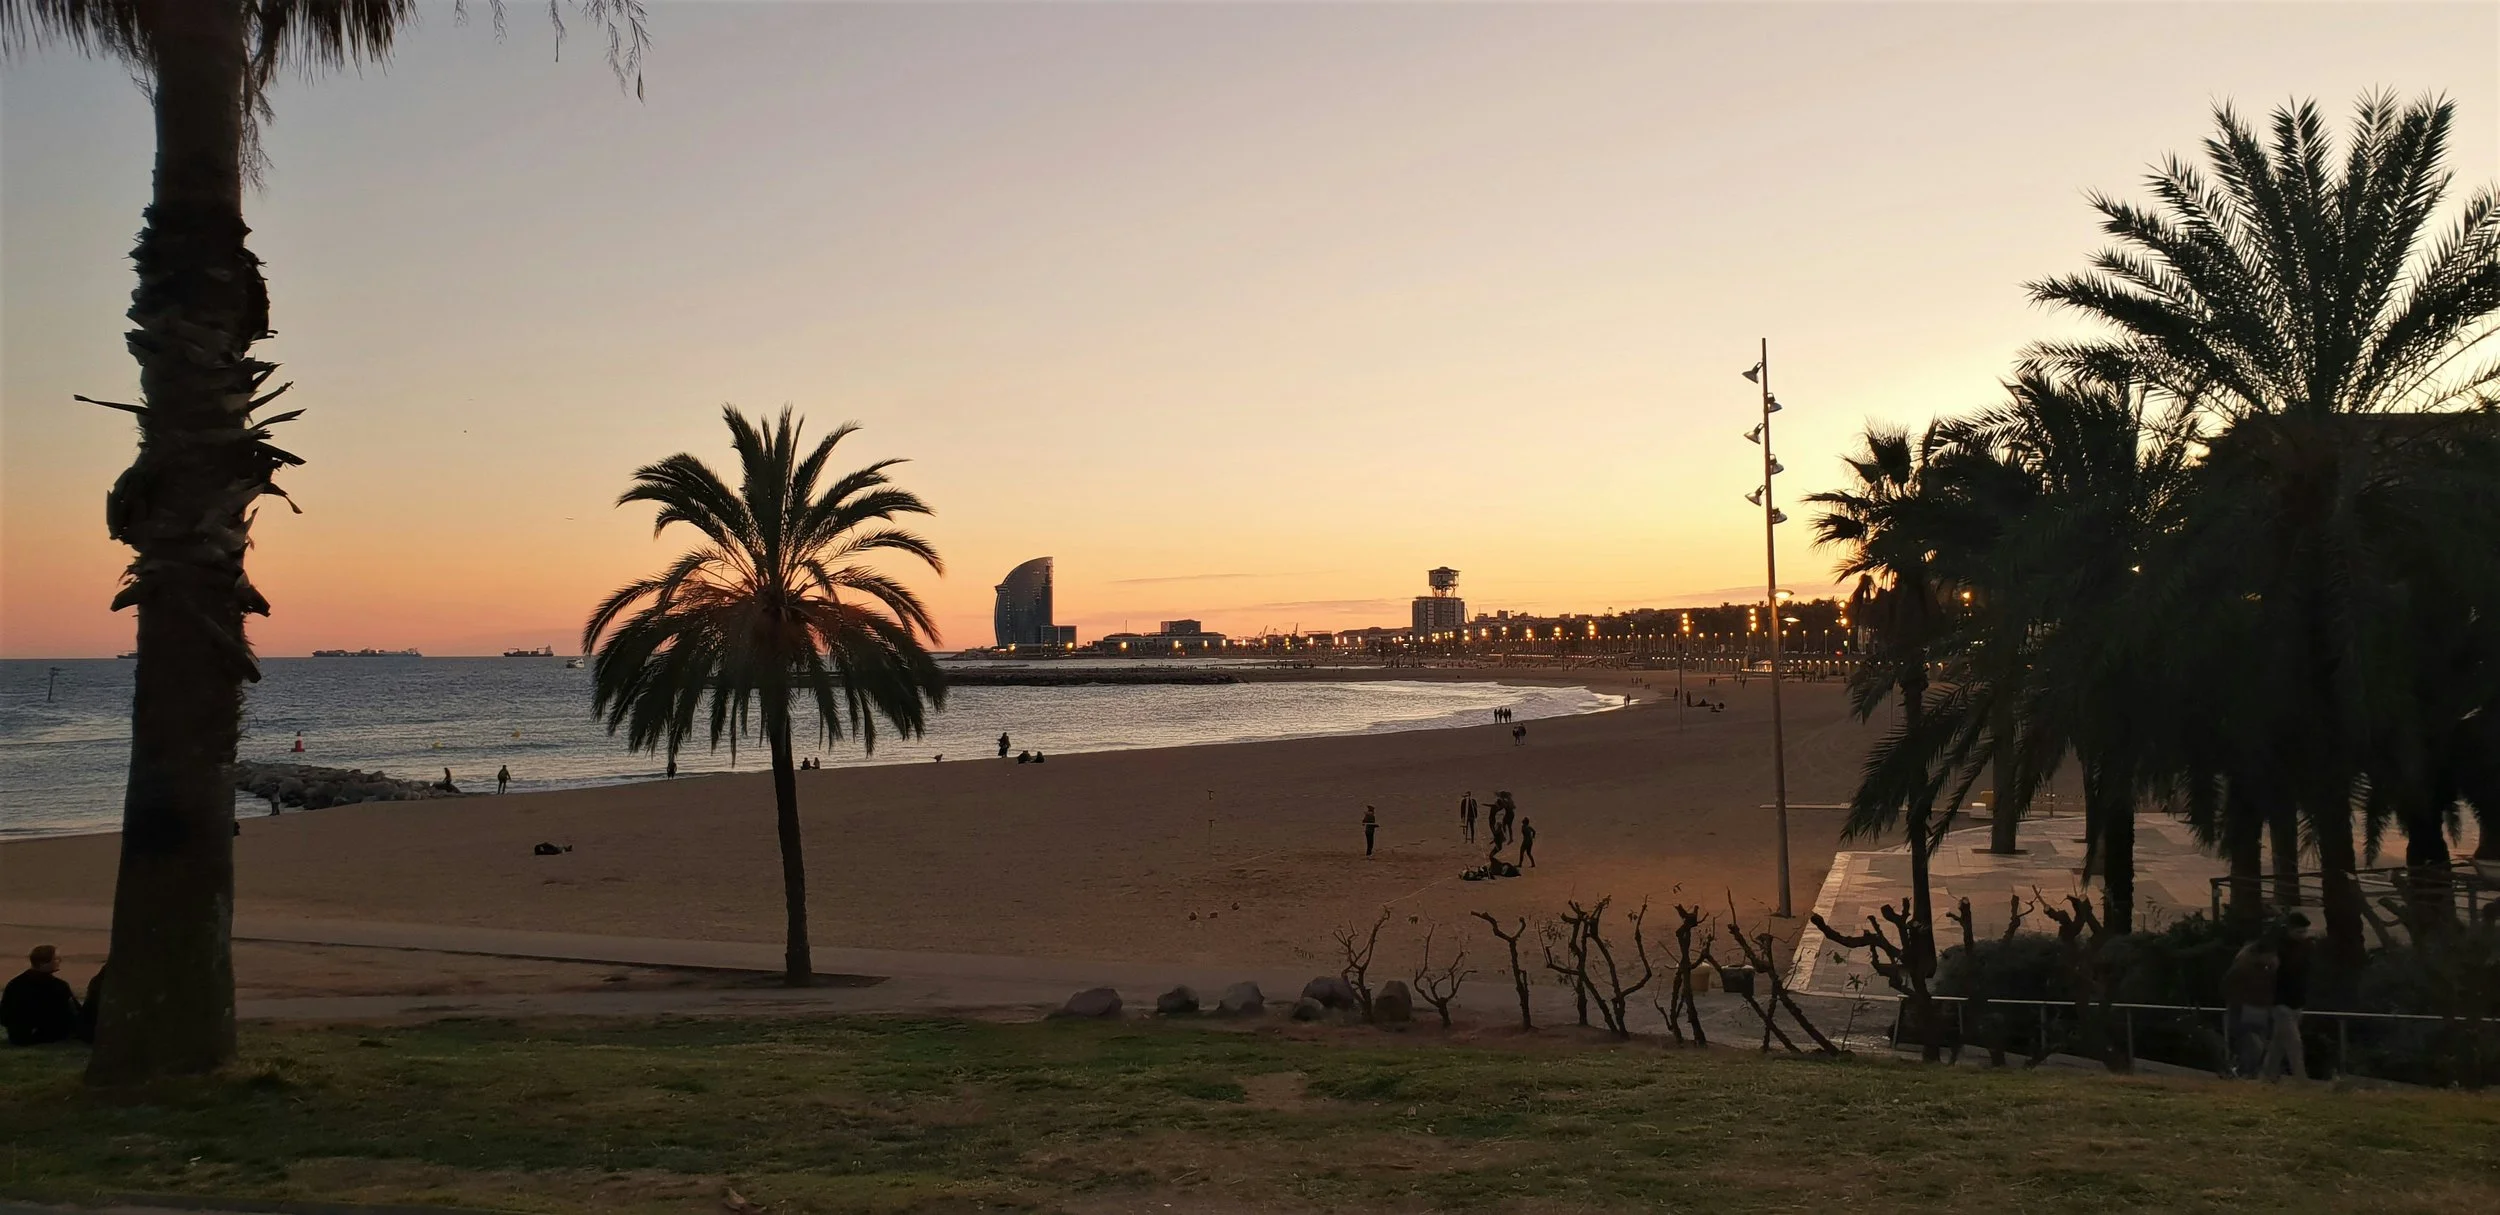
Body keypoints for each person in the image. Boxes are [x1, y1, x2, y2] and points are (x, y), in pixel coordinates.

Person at [2261, 913, 2312, 1083]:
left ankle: (2267, 1077)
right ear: (2289, 930)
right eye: (2299, 932)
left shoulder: (2305, 947)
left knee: (2279, 1043)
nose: (2303, 936)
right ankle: (2301, 1080)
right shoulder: (2279, 948)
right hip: (2281, 1003)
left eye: (2304, 932)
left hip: (2297, 1002)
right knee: (2294, 1043)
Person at [2221, 932, 2280, 1079]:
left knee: (2259, 1046)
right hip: (2244, 1011)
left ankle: (2251, 1072)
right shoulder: (2243, 968)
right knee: (2252, 1045)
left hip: (2259, 1011)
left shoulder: (2265, 971)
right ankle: (2246, 1072)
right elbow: (2226, 987)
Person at [2, 945, 81, 1047]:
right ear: (43, 963)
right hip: (48, 1035)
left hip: (18, 1037)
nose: (60, 961)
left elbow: (4, 1015)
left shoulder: (14, 984)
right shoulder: (58, 986)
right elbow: (74, 1013)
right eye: (56, 958)